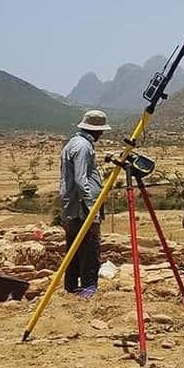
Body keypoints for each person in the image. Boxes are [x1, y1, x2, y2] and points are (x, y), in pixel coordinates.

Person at [59, 110, 111, 298]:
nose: (101, 134)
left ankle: (71, 286)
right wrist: (92, 207)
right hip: (82, 208)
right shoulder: (83, 147)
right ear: (94, 130)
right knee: (89, 247)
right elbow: (81, 180)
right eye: (100, 131)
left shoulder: (73, 143)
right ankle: (89, 287)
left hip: (73, 206)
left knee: (74, 247)